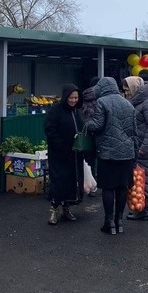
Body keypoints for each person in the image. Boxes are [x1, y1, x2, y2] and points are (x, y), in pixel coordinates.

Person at [84, 77, 136, 235]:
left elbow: (98, 125)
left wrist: (86, 123)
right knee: (122, 187)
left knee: (108, 188)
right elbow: (134, 130)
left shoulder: (102, 102)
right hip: (127, 152)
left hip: (108, 152)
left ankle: (109, 222)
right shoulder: (128, 102)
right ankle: (119, 221)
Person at [43, 84, 85, 225]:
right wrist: (60, 144)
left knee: (72, 181)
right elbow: (49, 130)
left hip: (74, 154)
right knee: (59, 181)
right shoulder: (55, 111)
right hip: (59, 154)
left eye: (76, 97)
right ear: (65, 97)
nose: (73, 100)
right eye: (71, 97)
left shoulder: (76, 111)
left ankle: (66, 208)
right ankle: (53, 209)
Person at [122, 76, 148, 221]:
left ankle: (144, 210)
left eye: (127, 88)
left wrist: (144, 147)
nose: (126, 92)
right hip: (139, 146)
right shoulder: (136, 101)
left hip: (146, 149)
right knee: (140, 179)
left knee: (146, 179)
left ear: (135, 88)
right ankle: (141, 208)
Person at [80, 76, 102, 197]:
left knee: (88, 159)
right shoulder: (100, 97)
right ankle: (97, 184)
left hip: (86, 133)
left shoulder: (84, 96)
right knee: (101, 158)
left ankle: (89, 184)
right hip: (98, 132)